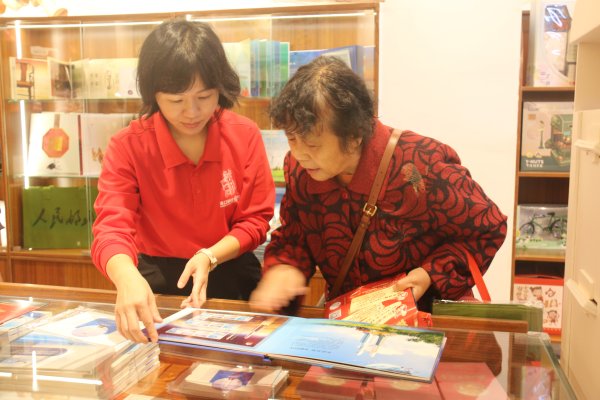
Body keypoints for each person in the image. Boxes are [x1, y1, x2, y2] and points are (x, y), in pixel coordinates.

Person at [250, 56, 507, 314]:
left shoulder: (420, 165)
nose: (298, 154)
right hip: (348, 320)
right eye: (291, 138)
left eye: (312, 144)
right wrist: (285, 267)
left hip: (419, 317)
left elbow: (488, 228)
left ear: (354, 135)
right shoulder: (300, 171)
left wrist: (430, 274)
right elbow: (295, 236)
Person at [91, 19, 275, 343]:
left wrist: (210, 256)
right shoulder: (129, 145)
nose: (192, 112)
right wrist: (125, 277)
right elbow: (111, 227)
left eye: (205, 96)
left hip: (229, 269)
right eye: (176, 101)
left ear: (221, 88)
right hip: (156, 279)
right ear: (153, 94)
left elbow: (255, 221)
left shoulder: (243, 135)